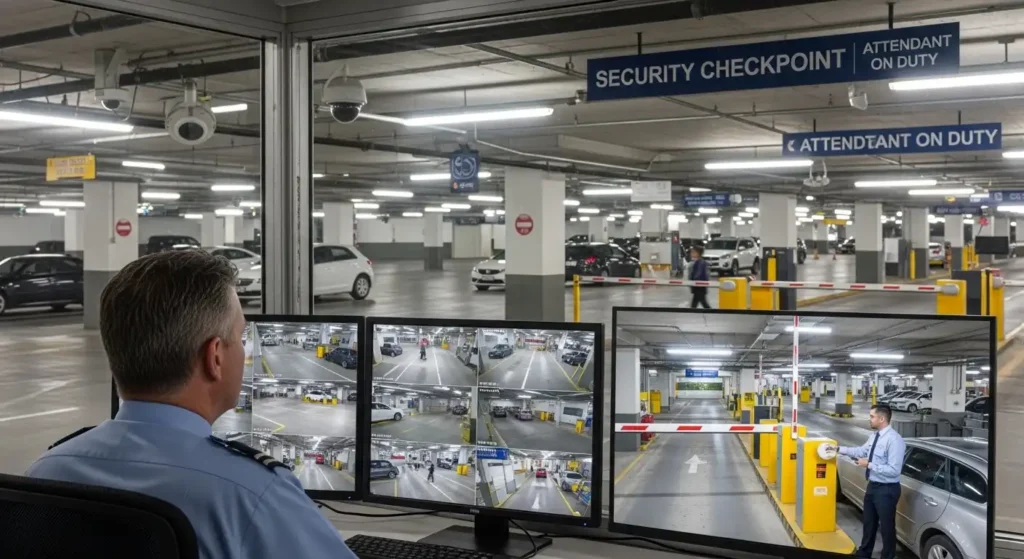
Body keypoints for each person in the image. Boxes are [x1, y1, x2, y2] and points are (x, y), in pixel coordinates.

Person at [25, 251, 356, 559]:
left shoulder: (45, 473)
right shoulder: (254, 495)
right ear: (214, 357)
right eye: (241, 340)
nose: (244, 353)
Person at [837, 404, 906, 559]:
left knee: (887, 528)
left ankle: (887, 556)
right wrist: (838, 449)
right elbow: (861, 451)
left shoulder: (894, 440)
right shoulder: (875, 436)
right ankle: (864, 553)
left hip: (887, 490)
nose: (869, 419)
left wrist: (869, 465)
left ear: (881, 419)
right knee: (869, 523)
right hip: (873, 486)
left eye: (872, 416)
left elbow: (894, 470)